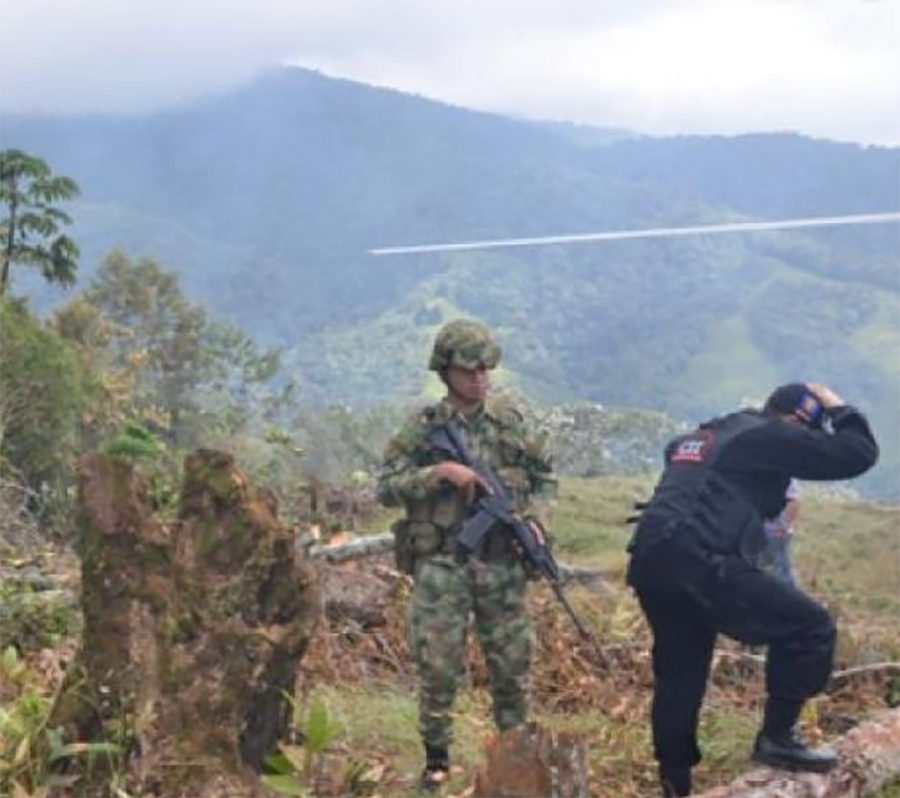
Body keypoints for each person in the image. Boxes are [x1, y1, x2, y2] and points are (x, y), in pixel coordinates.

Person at [626, 383, 878, 797]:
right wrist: (837, 407)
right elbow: (857, 454)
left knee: (680, 673)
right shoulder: (769, 435)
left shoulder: (706, 434)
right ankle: (777, 738)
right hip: (701, 560)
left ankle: (675, 786)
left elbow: (675, 451)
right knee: (810, 628)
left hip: (653, 560)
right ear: (798, 420)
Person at [376, 319, 556, 792]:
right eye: (468, 369)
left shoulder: (510, 425)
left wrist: (537, 518)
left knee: (512, 667)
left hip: (503, 565)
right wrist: (439, 473)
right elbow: (385, 488)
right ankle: (436, 762)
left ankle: (514, 758)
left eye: (486, 369)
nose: (479, 378)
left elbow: (546, 479)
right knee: (438, 667)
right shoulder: (422, 430)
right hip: (442, 565)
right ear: (446, 371)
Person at [760, 480, 801, 587]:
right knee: (762, 565)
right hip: (761, 530)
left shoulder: (786, 477)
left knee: (781, 569)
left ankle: (793, 597)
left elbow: (794, 501)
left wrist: (786, 526)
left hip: (777, 532)